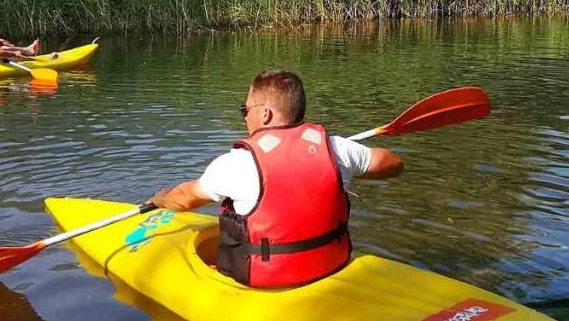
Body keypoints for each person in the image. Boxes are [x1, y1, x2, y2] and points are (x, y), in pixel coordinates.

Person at [148, 69, 404, 288]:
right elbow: (393, 165)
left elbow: (184, 199)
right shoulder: (336, 149)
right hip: (331, 269)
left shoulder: (236, 164)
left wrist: (160, 199)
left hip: (265, 286)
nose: (245, 116)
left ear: (265, 114)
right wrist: (343, 164)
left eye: (245, 109)